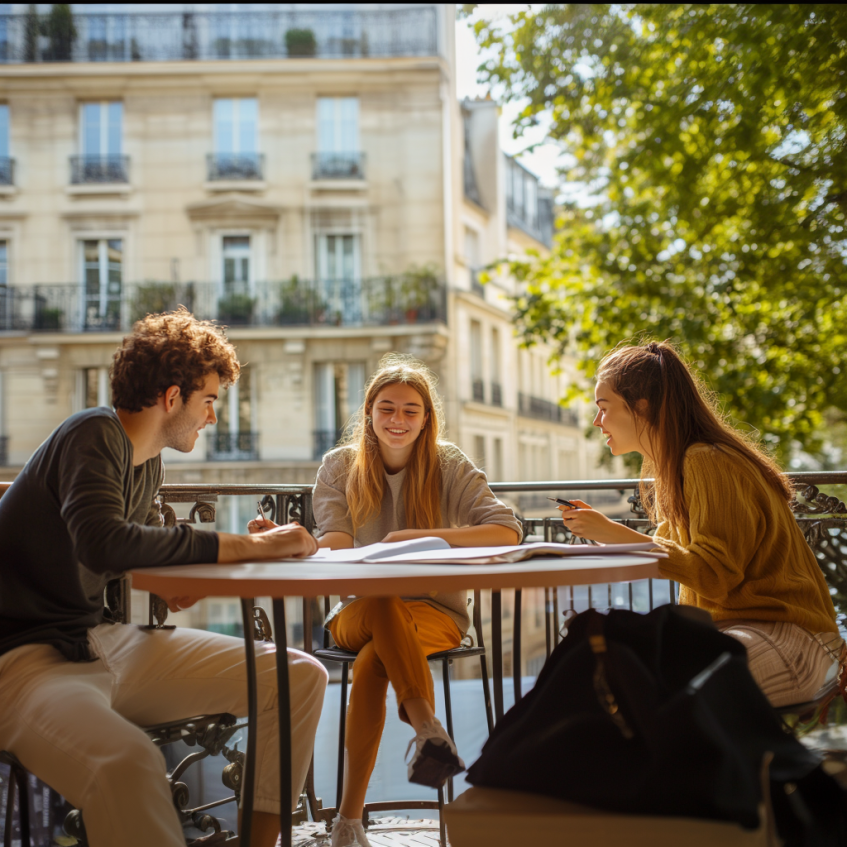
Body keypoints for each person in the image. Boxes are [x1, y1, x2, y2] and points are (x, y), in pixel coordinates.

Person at [0, 308, 328, 847]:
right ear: (172, 398)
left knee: (298, 677)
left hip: (104, 643)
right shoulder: (92, 433)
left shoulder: (147, 463)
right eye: (210, 401)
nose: (213, 418)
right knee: (127, 764)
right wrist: (254, 545)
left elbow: (170, 585)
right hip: (27, 662)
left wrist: (256, 550)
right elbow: (103, 542)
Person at [251, 354, 522, 847]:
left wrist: (417, 536)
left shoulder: (449, 464)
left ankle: (348, 821)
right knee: (379, 596)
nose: (398, 420)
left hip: (437, 614)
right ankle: (427, 728)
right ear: (370, 412)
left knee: (377, 659)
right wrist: (290, 539)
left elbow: (506, 528)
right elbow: (335, 540)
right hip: (358, 612)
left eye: (411, 411)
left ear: (426, 418)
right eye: (387, 409)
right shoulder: (339, 466)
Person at [557, 340, 844, 707]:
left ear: (641, 406)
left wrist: (615, 534)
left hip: (794, 639)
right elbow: (683, 559)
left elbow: (715, 574)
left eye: (603, 407)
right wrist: (610, 535)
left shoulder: (706, 459)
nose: (597, 421)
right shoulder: (677, 471)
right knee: (601, 668)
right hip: (737, 633)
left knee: (659, 694)